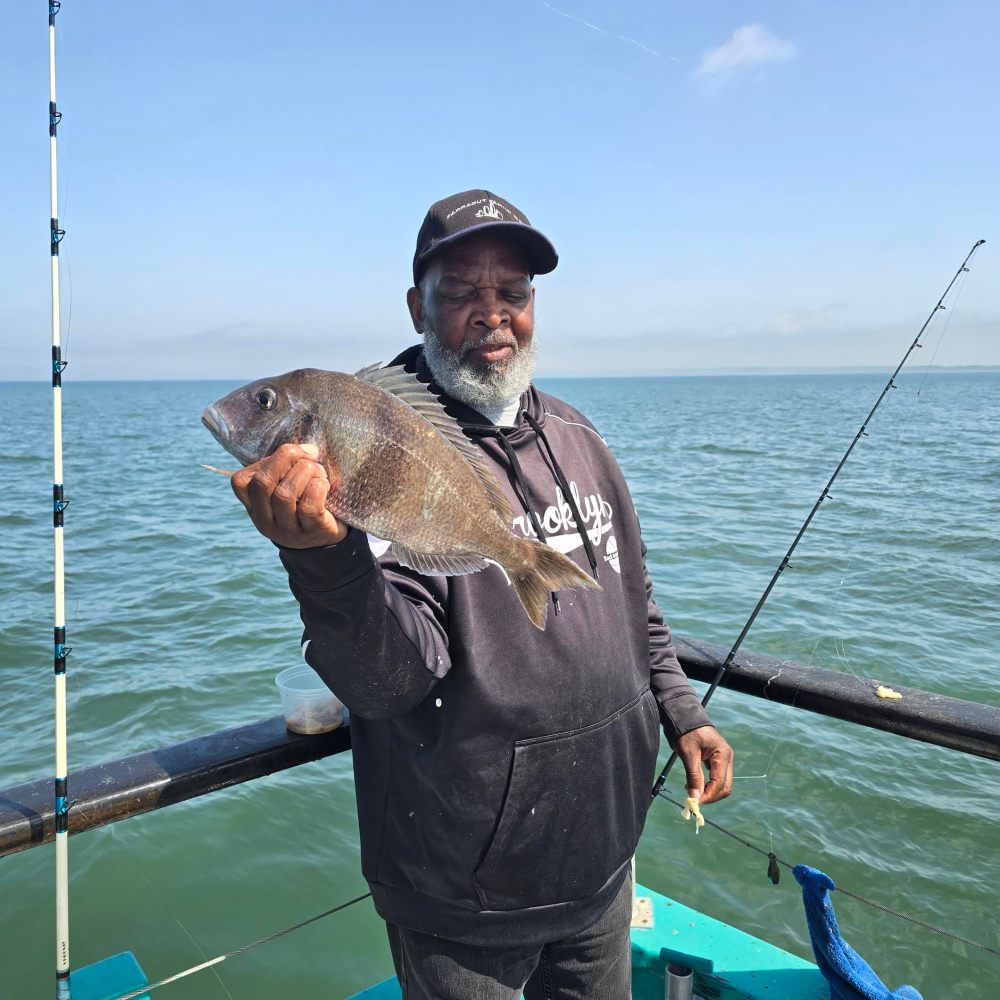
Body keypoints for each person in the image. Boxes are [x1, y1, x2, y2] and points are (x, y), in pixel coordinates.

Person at [231, 190, 734, 999]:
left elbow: (632, 596)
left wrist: (682, 710)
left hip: (601, 866)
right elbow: (392, 681)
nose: (492, 314)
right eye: (461, 291)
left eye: (514, 293)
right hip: (465, 903)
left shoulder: (578, 434)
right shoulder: (369, 454)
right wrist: (325, 562)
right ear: (416, 305)